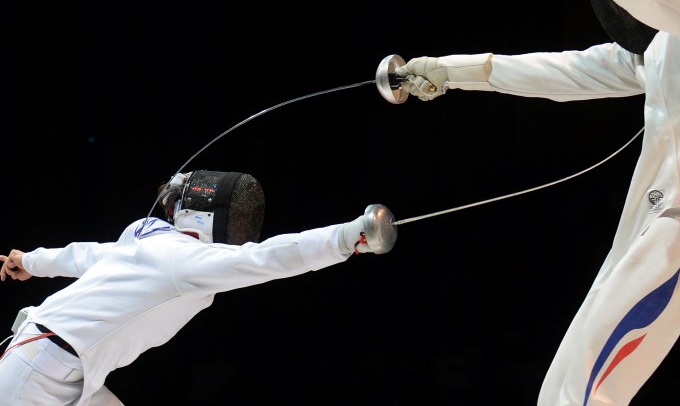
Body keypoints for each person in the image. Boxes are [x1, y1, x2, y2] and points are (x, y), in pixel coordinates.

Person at [394, 0, 680, 405]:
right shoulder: (662, 51)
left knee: (586, 396)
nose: (626, 15)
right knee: (561, 393)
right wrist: (451, 71)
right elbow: (564, 72)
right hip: (654, 231)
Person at [0, 169, 396, 405]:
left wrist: (32, 260)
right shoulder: (182, 260)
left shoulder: (147, 236)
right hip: (39, 373)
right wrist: (347, 237)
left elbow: (86, 255)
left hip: (53, 362)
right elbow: (264, 259)